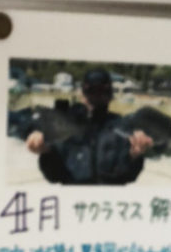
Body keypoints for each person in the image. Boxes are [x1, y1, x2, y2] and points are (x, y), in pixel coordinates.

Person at [25, 68, 153, 185]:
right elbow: (54, 176)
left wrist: (135, 156)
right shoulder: (65, 125)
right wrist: (45, 152)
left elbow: (128, 177)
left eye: (102, 91)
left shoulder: (120, 126)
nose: (96, 96)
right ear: (82, 94)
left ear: (110, 95)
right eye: (91, 90)